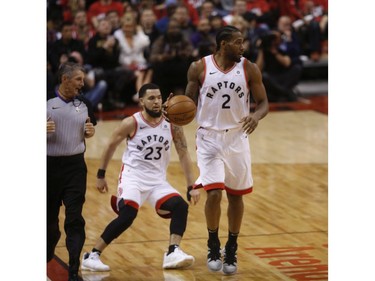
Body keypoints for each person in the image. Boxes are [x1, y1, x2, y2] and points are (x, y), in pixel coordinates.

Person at [81, 83, 200, 272]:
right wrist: (101, 174)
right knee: (128, 214)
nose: (156, 102)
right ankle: (92, 255)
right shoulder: (132, 122)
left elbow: (184, 153)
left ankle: (172, 252)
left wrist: (191, 185)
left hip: (157, 181)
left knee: (180, 207)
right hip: (132, 178)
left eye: (159, 97)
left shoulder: (172, 124)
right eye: (151, 98)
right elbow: (110, 146)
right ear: (141, 101)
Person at [184, 25, 269, 275]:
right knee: (214, 193)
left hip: (237, 138)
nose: (243, 47)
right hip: (209, 138)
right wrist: (174, 109)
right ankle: (213, 242)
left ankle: (231, 245)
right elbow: (188, 104)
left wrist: (256, 115)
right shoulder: (198, 67)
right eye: (238, 42)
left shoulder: (249, 68)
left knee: (236, 195)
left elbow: (264, 102)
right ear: (223, 45)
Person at [47, 62, 97, 281]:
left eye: (82, 80)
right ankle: (46, 251)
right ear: (64, 79)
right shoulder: (45, 101)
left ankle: (74, 270)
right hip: (48, 167)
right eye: (78, 79)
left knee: (74, 219)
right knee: (49, 222)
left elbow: (90, 126)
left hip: (76, 167)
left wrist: (90, 131)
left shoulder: (85, 103)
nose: (82, 84)